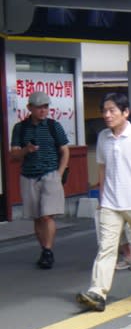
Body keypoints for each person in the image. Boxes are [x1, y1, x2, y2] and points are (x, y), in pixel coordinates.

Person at [77, 92, 131, 312]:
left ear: (125, 112)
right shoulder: (104, 137)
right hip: (111, 205)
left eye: (112, 110)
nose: (107, 114)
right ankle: (98, 292)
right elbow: (103, 169)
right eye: (104, 110)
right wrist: (102, 199)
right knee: (106, 248)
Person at [9, 91, 70, 269]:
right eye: (39, 107)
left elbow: (65, 150)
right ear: (30, 108)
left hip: (50, 174)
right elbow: (14, 154)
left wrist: (60, 172)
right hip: (28, 176)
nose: (43, 110)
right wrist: (26, 150)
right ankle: (44, 249)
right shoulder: (20, 128)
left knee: (47, 215)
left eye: (46, 107)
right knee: (37, 217)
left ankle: (48, 250)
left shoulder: (53, 126)